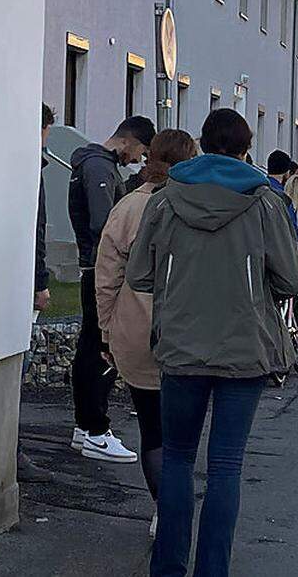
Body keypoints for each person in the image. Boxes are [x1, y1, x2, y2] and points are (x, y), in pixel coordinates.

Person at [126, 108, 298, 576]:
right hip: (244, 349)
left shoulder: (165, 199)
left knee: (179, 459)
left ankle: (166, 568)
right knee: (226, 466)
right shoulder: (265, 201)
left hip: (181, 346)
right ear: (247, 149)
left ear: (202, 145)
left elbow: (139, 274)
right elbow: (291, 278)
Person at [95, 130, 197, 538]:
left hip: (139, 328)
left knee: (153, 430)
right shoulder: (199, 204)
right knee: (185, 432)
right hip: (193, 330)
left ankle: (165, 511)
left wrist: (106, 330)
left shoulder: (129, 208)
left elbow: (106, 277)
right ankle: (182, 506)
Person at [67, 115, 154, 463]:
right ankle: (95, 429)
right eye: (141, 153)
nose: (138, 160)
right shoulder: (99, 169)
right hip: (101, 270)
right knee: (101, 347)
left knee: (90, 345)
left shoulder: (95, 165)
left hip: (93, 267)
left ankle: (86, 426)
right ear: (129, 141)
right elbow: (106, 225)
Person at [19, 105, 58, 484]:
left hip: (10, 275)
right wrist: (39, 281)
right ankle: (11, 451)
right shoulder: (29, 165)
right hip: (21, 280)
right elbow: (36, 229)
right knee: (22, 365)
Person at [266, 150, 298, 261]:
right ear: (287, 172)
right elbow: (292, 228)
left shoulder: (260, 188)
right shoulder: (283, 197)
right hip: (280, 252)